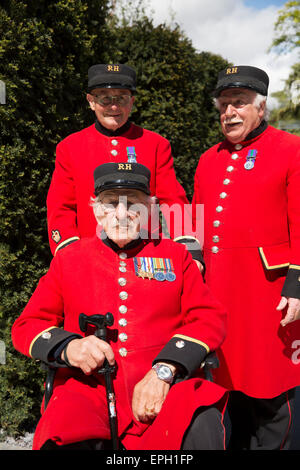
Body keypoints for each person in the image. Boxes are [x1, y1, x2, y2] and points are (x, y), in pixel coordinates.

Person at [12, 162, 228, 450]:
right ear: (96, 209)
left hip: (165, 385)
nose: (122, 214)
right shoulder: (69, 259)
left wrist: (165, 369)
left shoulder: (176, 256)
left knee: (203, 424)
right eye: (112, 203)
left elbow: (209, 318)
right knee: (63, 429)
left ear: (150, 209)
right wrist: (69, 347)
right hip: (89, 389)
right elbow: (27, 325)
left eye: (134, 204)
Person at [192, 65, 300, 450]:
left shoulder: (291, 148)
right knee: (225, 385)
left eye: (239, 103)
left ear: (261, 108)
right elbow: (198, 225)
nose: (229, 112)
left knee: (275, 389)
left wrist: (297, 283)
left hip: (270, 294)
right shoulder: (208, 160)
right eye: (223, 104)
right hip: (219, 292)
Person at [47, 63, 201, 267]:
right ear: (91, 101)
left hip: (147, 260)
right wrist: (70, 253)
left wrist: (190, 248)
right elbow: (60, 208)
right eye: (104, 98)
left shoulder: (156, 144)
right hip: (90, 261)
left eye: (121, 98)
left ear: (132, 102)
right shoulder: (70, 147)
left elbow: (174, 200)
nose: (113, 106)